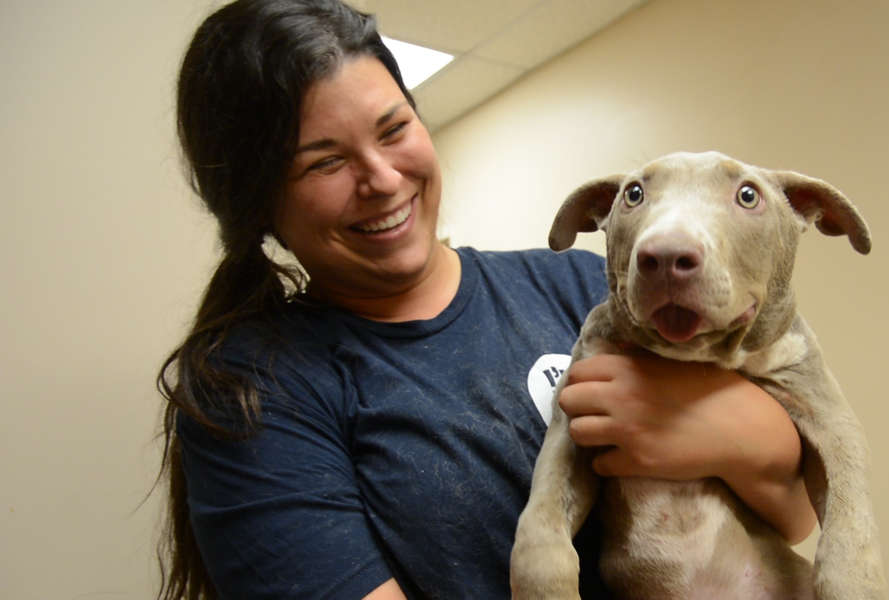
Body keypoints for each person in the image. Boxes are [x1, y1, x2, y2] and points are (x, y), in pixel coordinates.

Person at [155, 0, 817, 598]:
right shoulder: (255, 387)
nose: (383, 180)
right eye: (324, 162)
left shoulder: (578, 286)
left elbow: (793, 511)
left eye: (393, 129)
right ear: (258, 206)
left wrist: (714, 431)